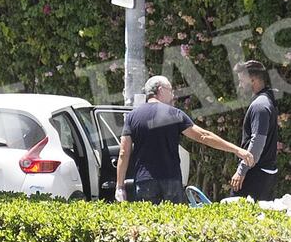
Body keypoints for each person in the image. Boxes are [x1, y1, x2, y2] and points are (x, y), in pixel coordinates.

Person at [115, 75, 254, 204]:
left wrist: (120, 186)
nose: (173, 95)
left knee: (148, 226)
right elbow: (203, 136)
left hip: (144, 181)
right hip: (170, 179)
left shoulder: (132, 116)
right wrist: (237, 150)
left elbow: (123, 152)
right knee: (173, 226)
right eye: (170, 90)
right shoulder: (173, 113)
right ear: (160, 90)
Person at [230, 60, 278, 201]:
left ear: (253, 80)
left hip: (256, 175)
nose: (240, 85)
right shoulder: (267, 99)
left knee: (237, 217)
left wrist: (241, 171)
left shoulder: (260, 106)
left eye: (241, 81)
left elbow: (257, 141)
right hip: (264, 173)